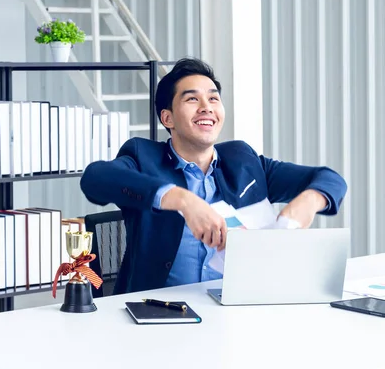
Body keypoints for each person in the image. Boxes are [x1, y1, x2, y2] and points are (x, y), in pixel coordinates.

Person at [80, 57, 347, 295]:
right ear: (168, 118)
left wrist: (310, 201)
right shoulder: (143, 156)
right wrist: (182, 200)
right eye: (192, 99)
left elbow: (329, 178)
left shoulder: (243, 160)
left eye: (214, 98)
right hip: (161, 312)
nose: (207, 107)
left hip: (238, 305)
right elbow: (95, 178)